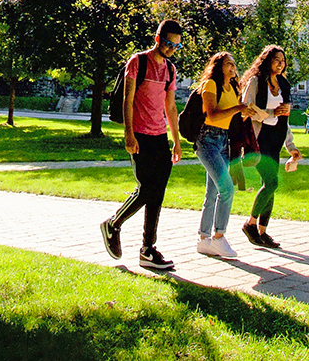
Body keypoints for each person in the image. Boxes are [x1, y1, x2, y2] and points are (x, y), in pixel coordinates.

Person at [100, 20, 183, 271]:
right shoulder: (138, 61)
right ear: (157, 39)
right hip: (139, 134)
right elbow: (127, 99)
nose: (171, 49)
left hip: (159, 136)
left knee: (157, 193)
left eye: (176, 46)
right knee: (147, 188)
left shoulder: (170, 69)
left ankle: (148, 249)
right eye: (168, 43)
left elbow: (170, 107)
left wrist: (176, 141)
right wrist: (129, 134)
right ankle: (113, 224)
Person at [240, 45, 302, 249]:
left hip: (275, 140)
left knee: (271, 186)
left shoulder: (284, 84)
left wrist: (291, 146)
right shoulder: (256, 82)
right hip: (258, 139)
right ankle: (249, 224)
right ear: (267, 60)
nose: (280, 63)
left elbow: (285, 118)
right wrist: (272, 112)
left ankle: (262, 231)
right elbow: (246, 110)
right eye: (276, 59)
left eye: (283, 60)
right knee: (272, 182)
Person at [195, 52, 254, 259]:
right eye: (228, 64)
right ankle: (219, 238)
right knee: (227, 189)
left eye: (234, 64)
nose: (232, 68)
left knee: (212, 193)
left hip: (224, 142)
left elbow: (230, 115)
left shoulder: (233, 88)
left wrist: (244, 112)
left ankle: (204, 240)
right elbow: (212, 114)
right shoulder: (211, 84)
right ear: (219, 67)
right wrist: (237, 107)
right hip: (208, 140)